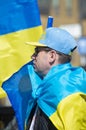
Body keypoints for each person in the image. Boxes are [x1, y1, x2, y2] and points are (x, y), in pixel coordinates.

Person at [26, 27, 86, 130]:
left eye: (37, 52)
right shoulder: (45, 88)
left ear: (52, 56)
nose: (32, 56)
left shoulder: (68, 91)